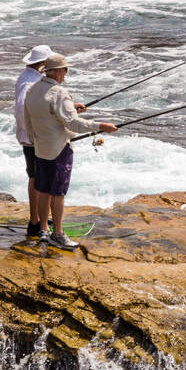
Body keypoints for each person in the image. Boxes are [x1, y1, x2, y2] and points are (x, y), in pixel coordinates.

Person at [22, 53, 117, 247]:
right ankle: (57, 233)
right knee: (57, 193)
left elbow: (28, 120)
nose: (66, 73)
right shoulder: (59, 93)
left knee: (43, 190)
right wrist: (101, 126)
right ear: (56, 72)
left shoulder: (32, 90)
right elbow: (73, 123)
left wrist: (36, 141)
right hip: (59, 150)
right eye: (65, 70)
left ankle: (43, 230)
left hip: (40, 148)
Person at [15, 44, 55, 239]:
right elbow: (23, 109)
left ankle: (39, 219)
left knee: (37, 177)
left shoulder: (29, 77)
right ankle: (36, 222)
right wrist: (34, 135)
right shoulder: (30, 83)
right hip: (34, 139)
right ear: (43, 64)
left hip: (31, 137)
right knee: (38, 179)